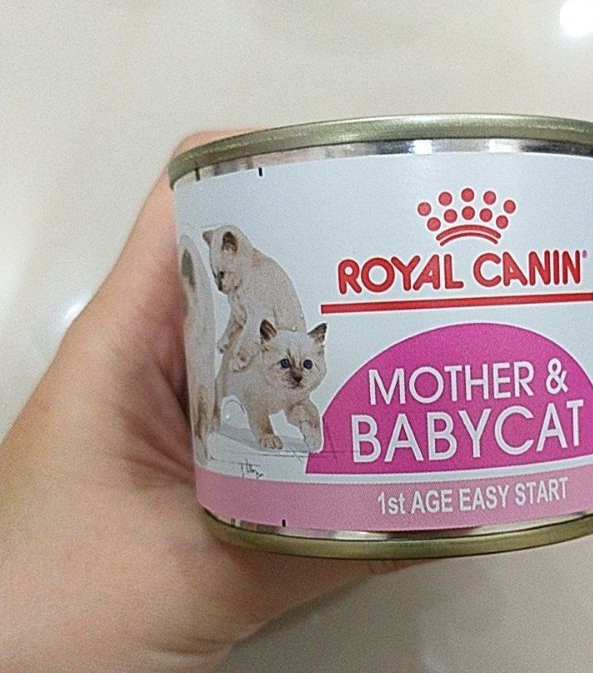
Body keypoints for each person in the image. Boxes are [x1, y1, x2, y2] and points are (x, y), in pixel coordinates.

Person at [0, 132, 413, 673]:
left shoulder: (263, 287)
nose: (220, 283)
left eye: (224, 273)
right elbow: (245, 326)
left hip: (271, 347)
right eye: (215, 276)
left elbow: (258, 323)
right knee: (234, 392)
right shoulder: (246, 290)